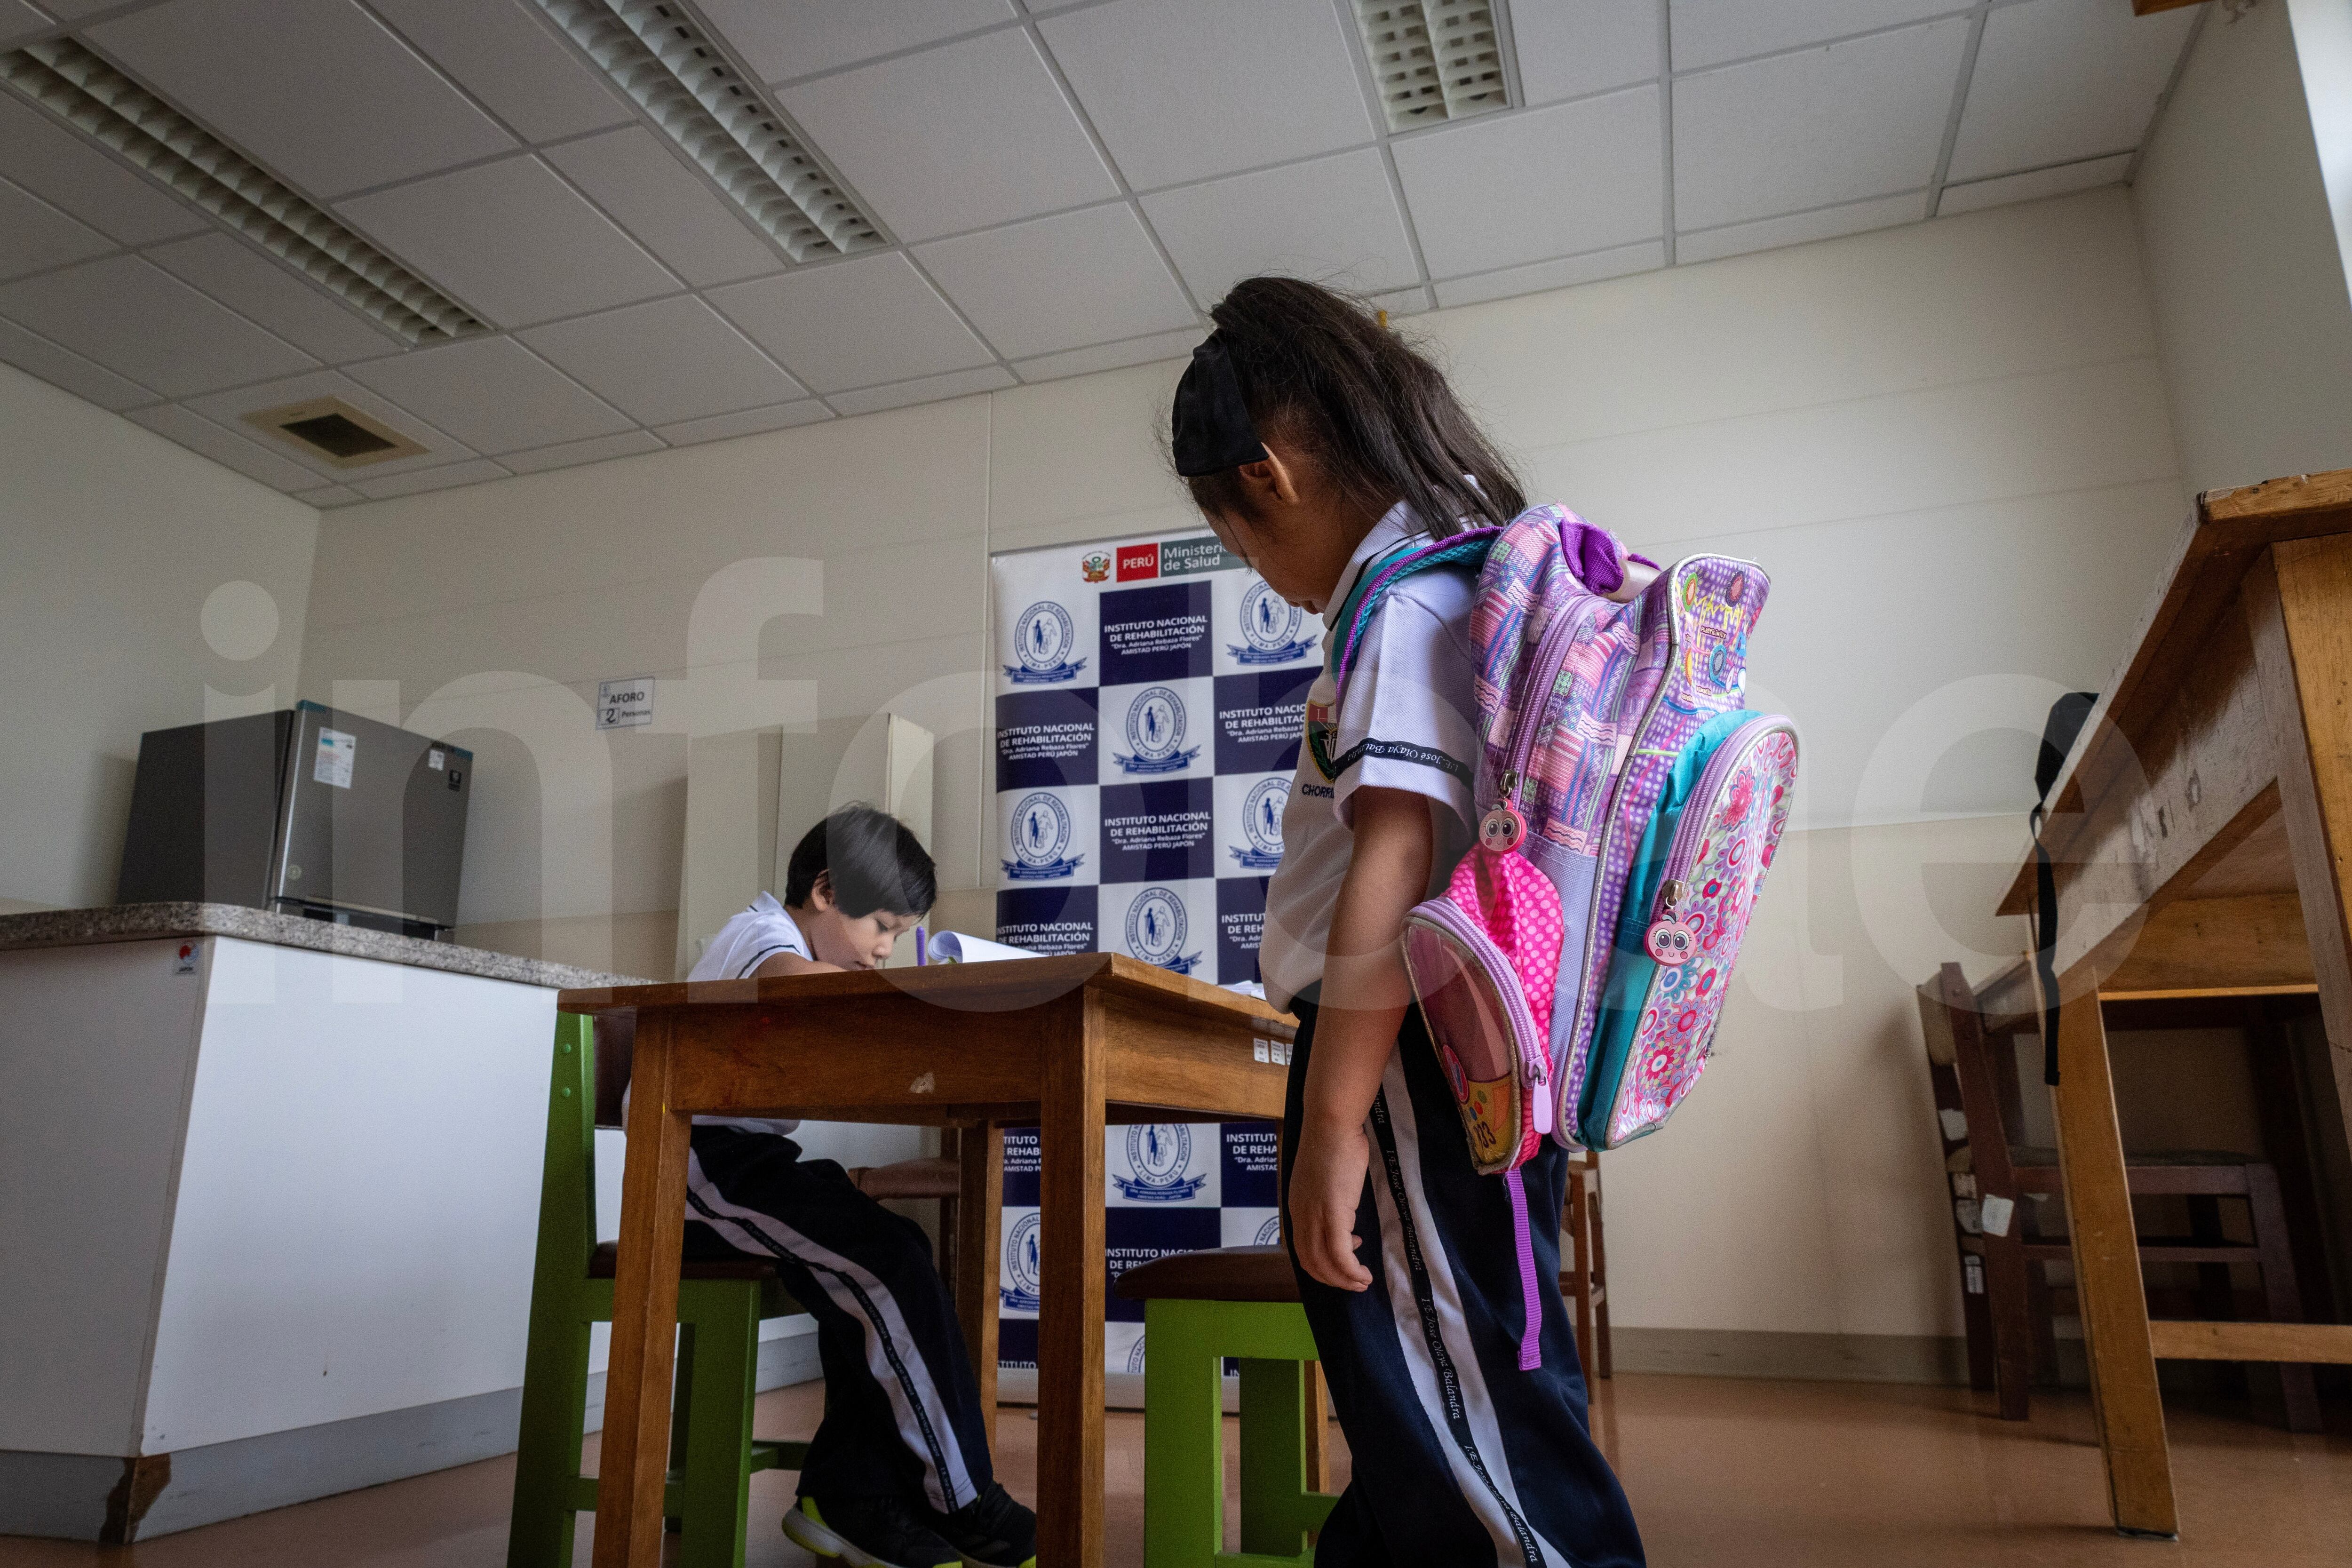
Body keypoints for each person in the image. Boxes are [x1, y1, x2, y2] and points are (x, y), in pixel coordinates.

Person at [1172, 278, 1646, 1566]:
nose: (1265, 575)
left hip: (1403, 1061)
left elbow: (1393, 856)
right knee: (1443, 1393)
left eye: (1239, 539)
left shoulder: (1402, 599)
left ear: (1265, 476)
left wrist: (1332, 1123)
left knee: (1471, 1423)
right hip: (1472, 1044)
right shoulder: (1470, 574)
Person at [623, 805, 1033, 1568]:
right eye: (881, 925)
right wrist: (916, 994)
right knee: (881, 1263)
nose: (884, 950)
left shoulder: (784, 937)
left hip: (745, 1166)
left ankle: (852, 1495)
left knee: (891, 1249)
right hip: (696, 1166)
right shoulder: (762, 934)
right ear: (824, 891)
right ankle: (965, 1500)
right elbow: (786, 982)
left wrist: (872, 1176)